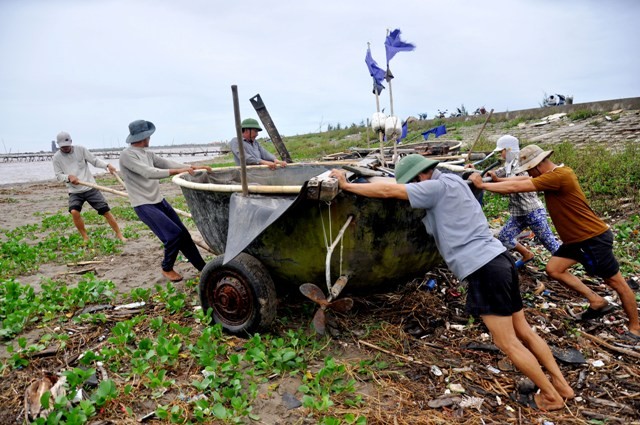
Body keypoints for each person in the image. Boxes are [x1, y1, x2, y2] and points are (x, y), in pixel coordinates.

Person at [330, 155, 574, 410]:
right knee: (524, 330)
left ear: (419, 177)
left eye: (412, 183)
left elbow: (389, 189)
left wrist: (347, 186)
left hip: (484, 269)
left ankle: (550, 396)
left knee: (507, 341)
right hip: (501, 259)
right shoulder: (452, 180)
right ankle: (562, 386)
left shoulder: (433, 188)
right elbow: (387, 181)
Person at [470, 145, 640, 341]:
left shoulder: (559, 176)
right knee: (554, 269)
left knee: (616, 282)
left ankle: (635, 328)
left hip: (591, 238)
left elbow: (518, 186)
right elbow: (523, 180)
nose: (530, 173)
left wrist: (482, 185)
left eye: (531, 168)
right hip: (576, 240)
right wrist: (498, 180)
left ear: (539, 164)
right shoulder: (555, 174)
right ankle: (596, 301)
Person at [119, 120, 211, 282]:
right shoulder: (127, 155)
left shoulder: (148, 153)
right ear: (145, 136)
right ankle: (166, 267)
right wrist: (177, 171)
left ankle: (203, 268)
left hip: (158, 200)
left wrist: (192, 167)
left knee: (184, 235)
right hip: (143, 204)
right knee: (172, 235)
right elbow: (149, 172)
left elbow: (166, 163)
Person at [486, 135, 560, 268]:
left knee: (551, 245)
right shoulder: (508, 165)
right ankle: (527, 254)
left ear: (509, 149)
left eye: (502, 151)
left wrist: (489, 184)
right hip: (519, 213)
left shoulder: (523, 164)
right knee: (504, 237)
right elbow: (496, 173)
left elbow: (517, 184)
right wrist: (476, 171)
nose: (501, 155)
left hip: (533, 212)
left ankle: (569, 266)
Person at [52, 131, 126, 242]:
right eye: (63, 147)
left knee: (105, 211)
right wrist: (68, 177)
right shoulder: (56, 158)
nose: (65, 148)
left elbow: (94, 161)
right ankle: (85, 238)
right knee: (74, 212)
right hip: (74, 190)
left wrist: (107, 165)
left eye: (67, 146)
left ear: (71, 142)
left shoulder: (80, 149)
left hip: (90, 187)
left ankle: (119, 235)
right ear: (59, 145)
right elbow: (58, 176)